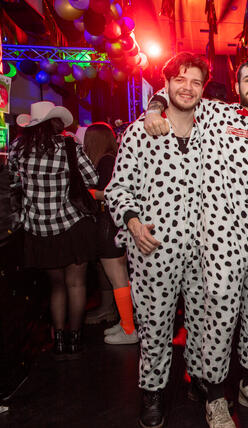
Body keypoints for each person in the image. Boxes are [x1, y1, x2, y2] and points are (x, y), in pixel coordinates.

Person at [144, 57, 248, 425]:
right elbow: (174, 93)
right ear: (237, 88)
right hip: (223, 238)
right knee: (220, 318)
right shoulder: (214, 114)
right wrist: (153, 108)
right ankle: (215, 394)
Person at [106, 52, 209, 428]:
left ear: (203, 90)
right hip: (154, 249)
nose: (188, 87)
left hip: (202, 251)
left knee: (203, 321)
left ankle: (200, 380)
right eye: (180, 79)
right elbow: (118, 190)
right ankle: (152, 392)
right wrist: (133, 224)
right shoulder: (139, 132)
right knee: (155, 325)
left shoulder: (211, 135)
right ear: (166, 84)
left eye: (196, 81)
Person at [10, 101, 99, 360]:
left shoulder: (18, 148)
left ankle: (58, 340)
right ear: (56, 122)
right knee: (76, 283)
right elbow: (92, 179)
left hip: (39, 227)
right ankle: (75, 339)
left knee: (56, 287)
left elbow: (14, 181)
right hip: (71, 224)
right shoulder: (67, 146)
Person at [83, 122, 138, 345]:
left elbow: (110, 194)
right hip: (112, 224)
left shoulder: (106, 161)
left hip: (110, 223)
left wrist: (86, 193)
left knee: (118, 277)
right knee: (119, 277)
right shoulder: (109, 159)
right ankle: (126, 323)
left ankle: (129, 329)